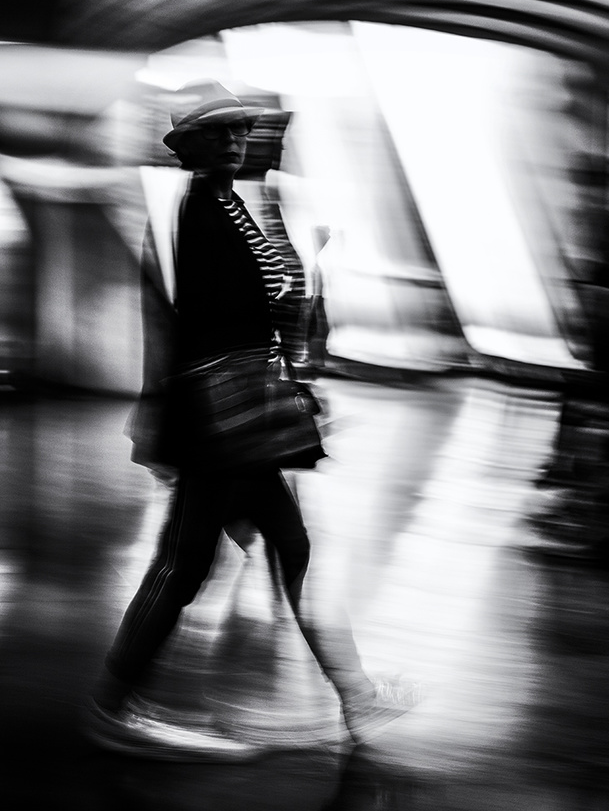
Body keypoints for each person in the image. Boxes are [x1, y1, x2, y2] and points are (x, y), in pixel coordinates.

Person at [87, 79, 417, 755]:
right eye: (224, 131)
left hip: (244, 413)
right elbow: (195, 324)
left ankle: (354, 698)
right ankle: (114, 708)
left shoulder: (227, 204)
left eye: (242, 129)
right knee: (182, 565)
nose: (239, 139)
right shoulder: (198, 209)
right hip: (222, 419)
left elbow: (264, 303)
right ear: (196, 144)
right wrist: (176, 422)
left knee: (281, 551)